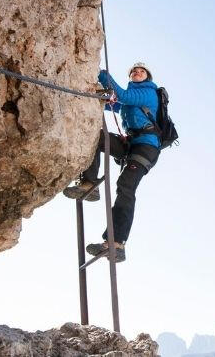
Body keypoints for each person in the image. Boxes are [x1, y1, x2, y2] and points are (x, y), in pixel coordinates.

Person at [63, 62, 161, 262]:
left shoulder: (148, 92)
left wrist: (102, 75)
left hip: (146, 147)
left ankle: (117, 243)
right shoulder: (132, 98)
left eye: (141, 71)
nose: (137, 72)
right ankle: (89, 183)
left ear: (147, 77)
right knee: (97, 137)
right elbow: (114, 103)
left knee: (126, 187)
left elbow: (123, 97)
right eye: (134, 71)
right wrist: (93, 96)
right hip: (131, 144)